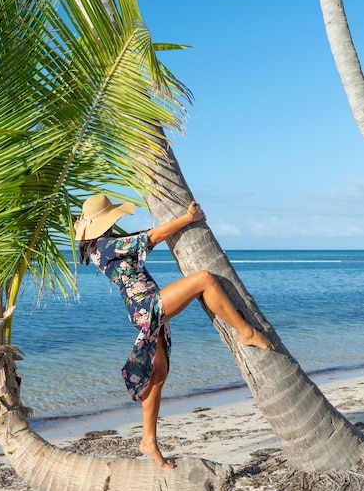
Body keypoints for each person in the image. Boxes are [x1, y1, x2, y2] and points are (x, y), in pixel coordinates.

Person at [74, 193, 275, 469]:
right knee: (204, 279)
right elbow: (151, 238)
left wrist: (171, 226)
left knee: (157, 375)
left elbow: (144, 239)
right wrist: (188, 218)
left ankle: (148, 441)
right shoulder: (108, 246)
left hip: (143, 310)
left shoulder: (102, 247)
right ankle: (245, 331)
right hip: (148, 306)